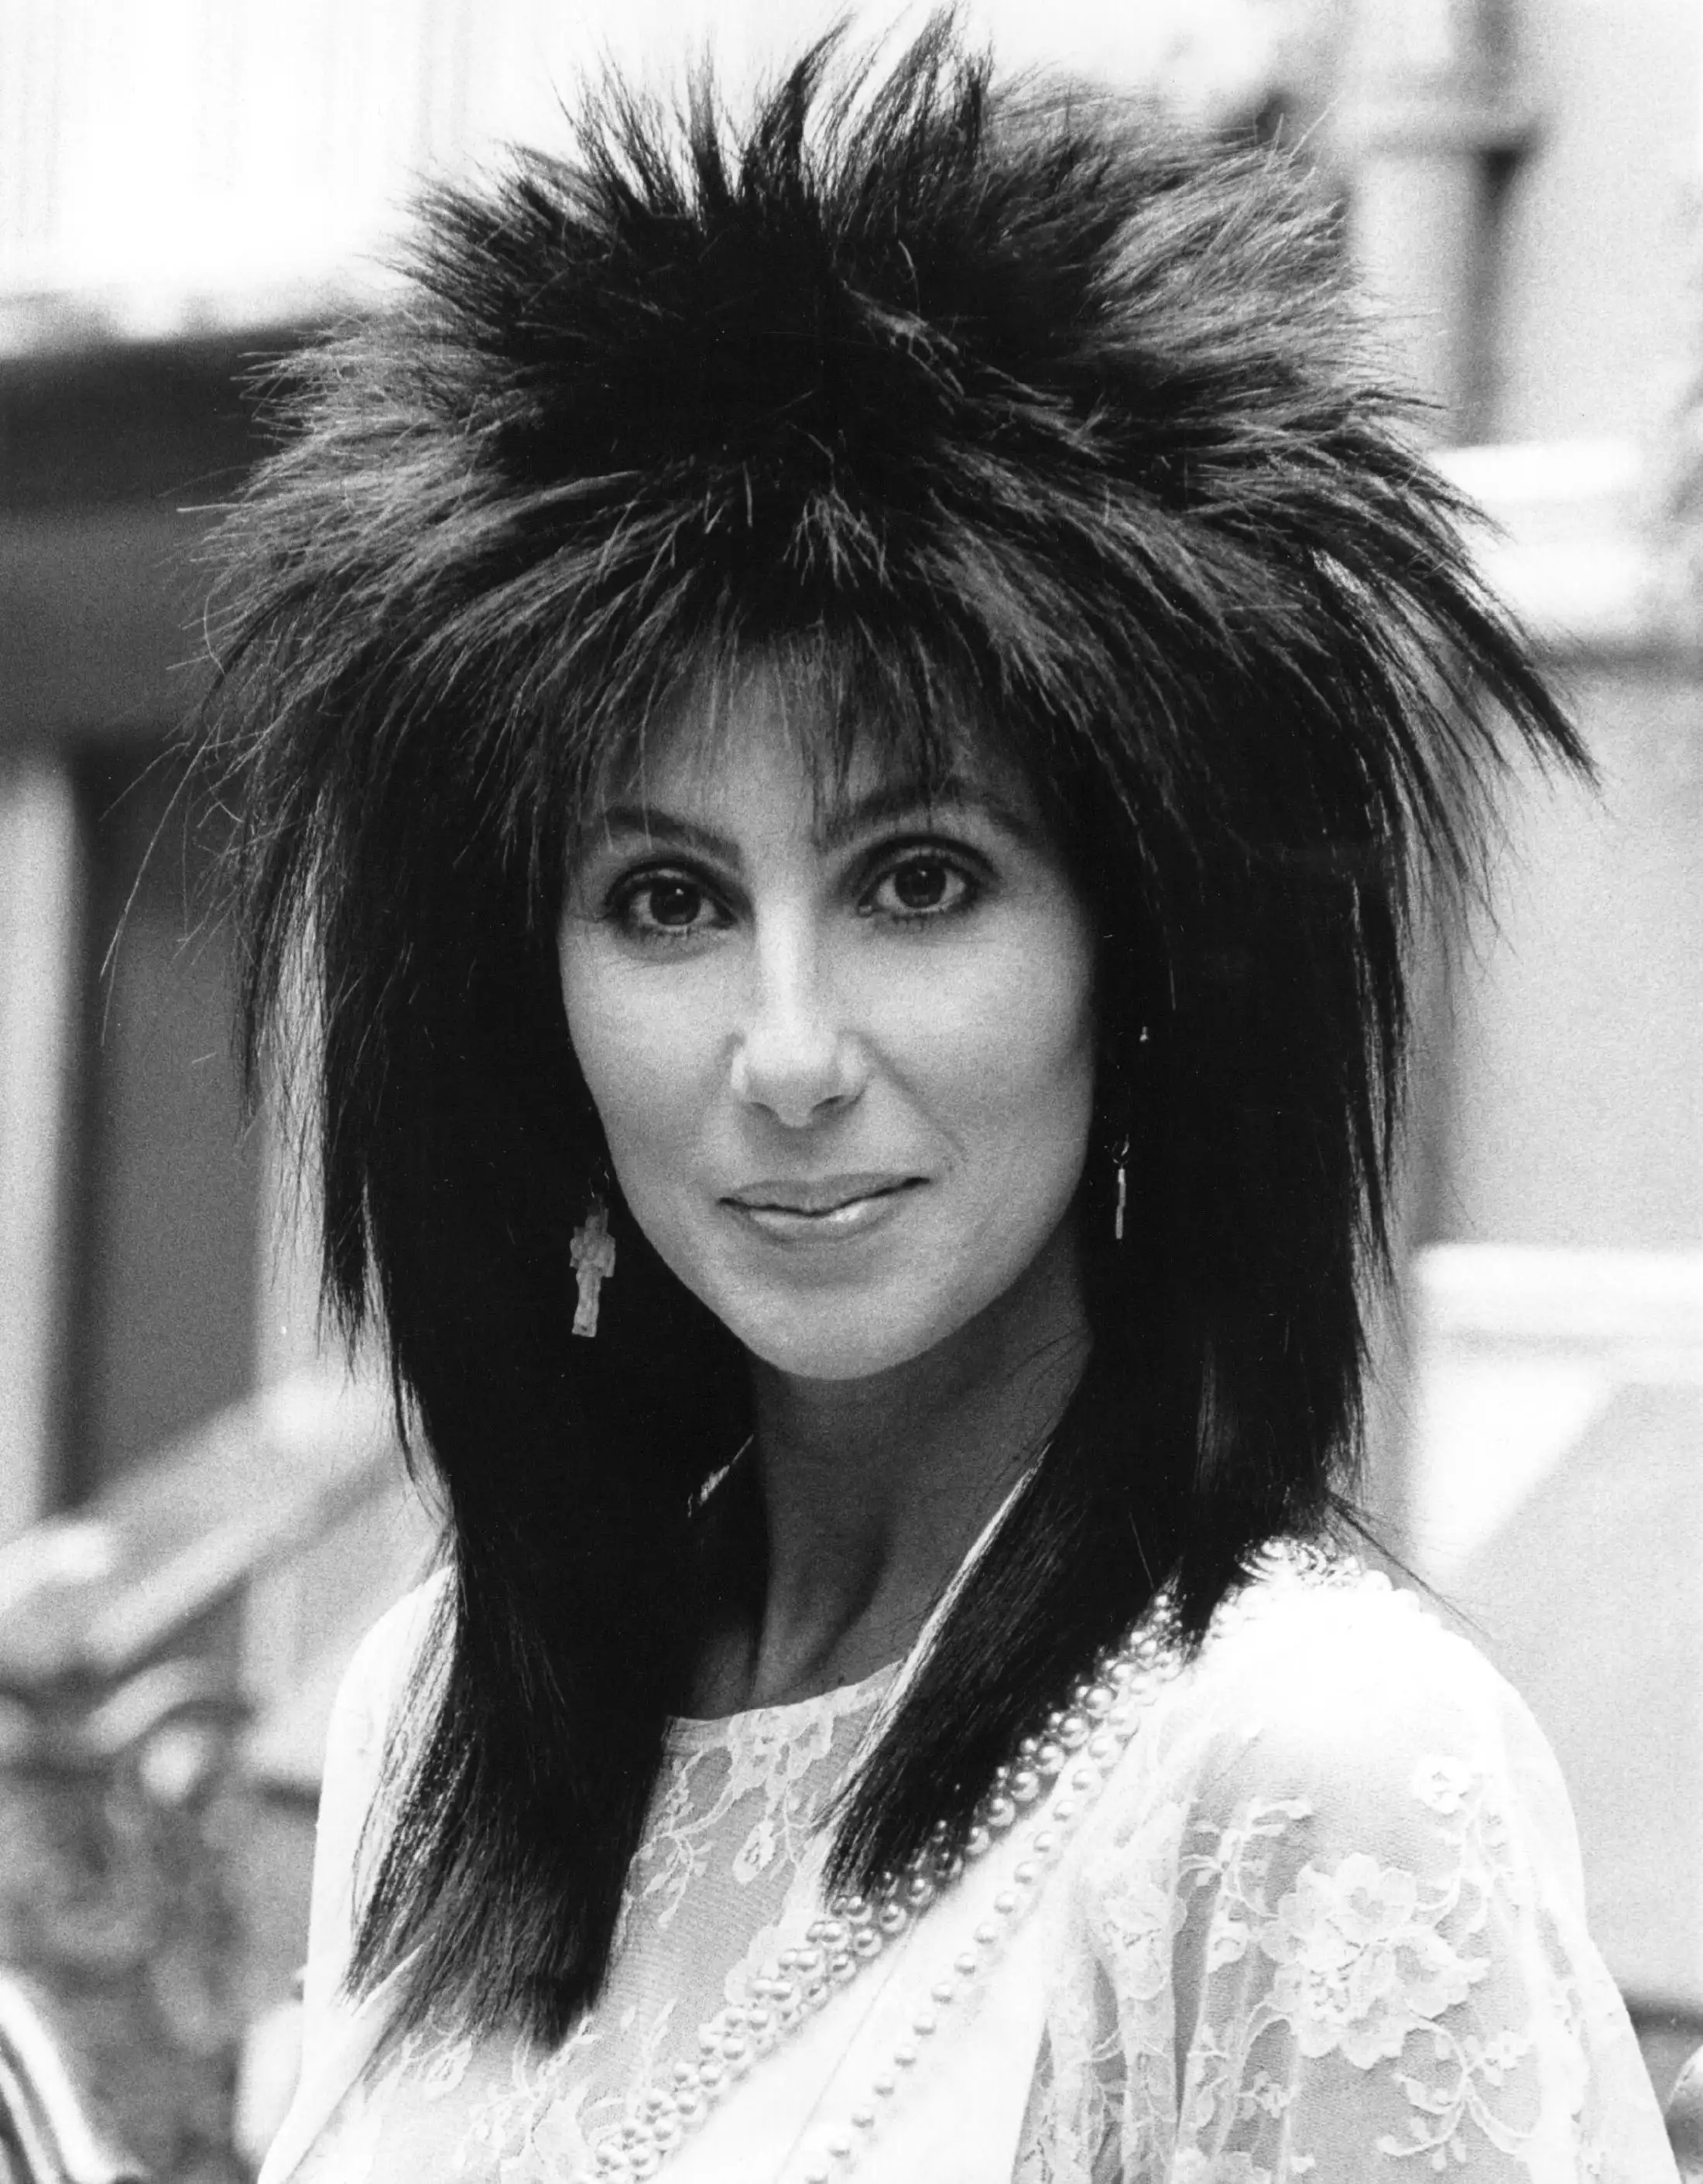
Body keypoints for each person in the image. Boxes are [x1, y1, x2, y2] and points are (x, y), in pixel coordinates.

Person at [206, 22, 1678, 2182]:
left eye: (917, 880)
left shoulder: (1304, 1769)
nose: (790, 1051)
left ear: (1137, 949)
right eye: (670, 897)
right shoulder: (440, 1711)